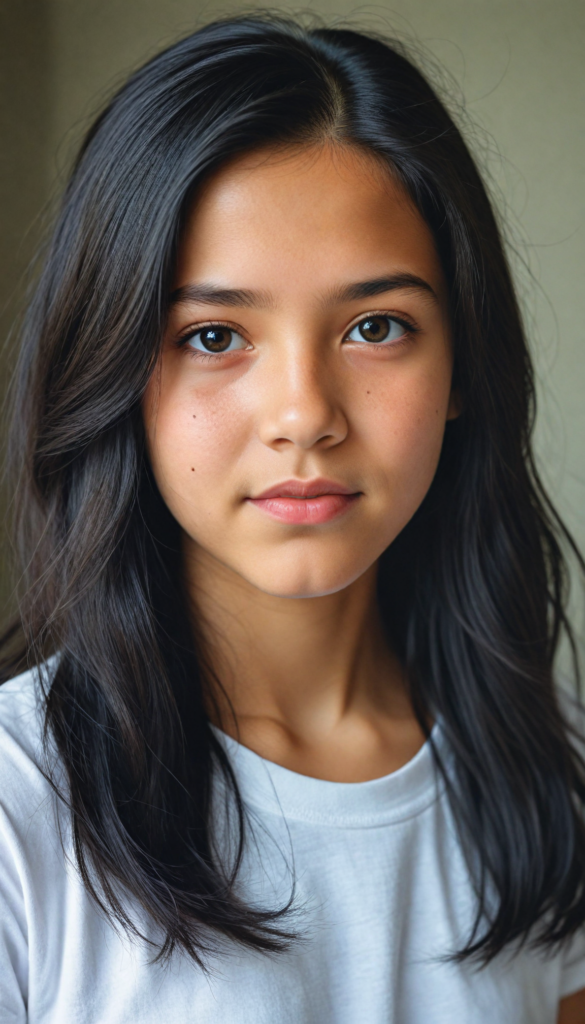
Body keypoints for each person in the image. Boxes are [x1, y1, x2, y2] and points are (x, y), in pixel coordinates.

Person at [0, 13, 584, 1023]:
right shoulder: (19, 808)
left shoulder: (556, 773)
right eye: (214, 335)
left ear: (461, 366)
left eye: (376, 326)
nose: (304, 414)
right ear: (113, 366)